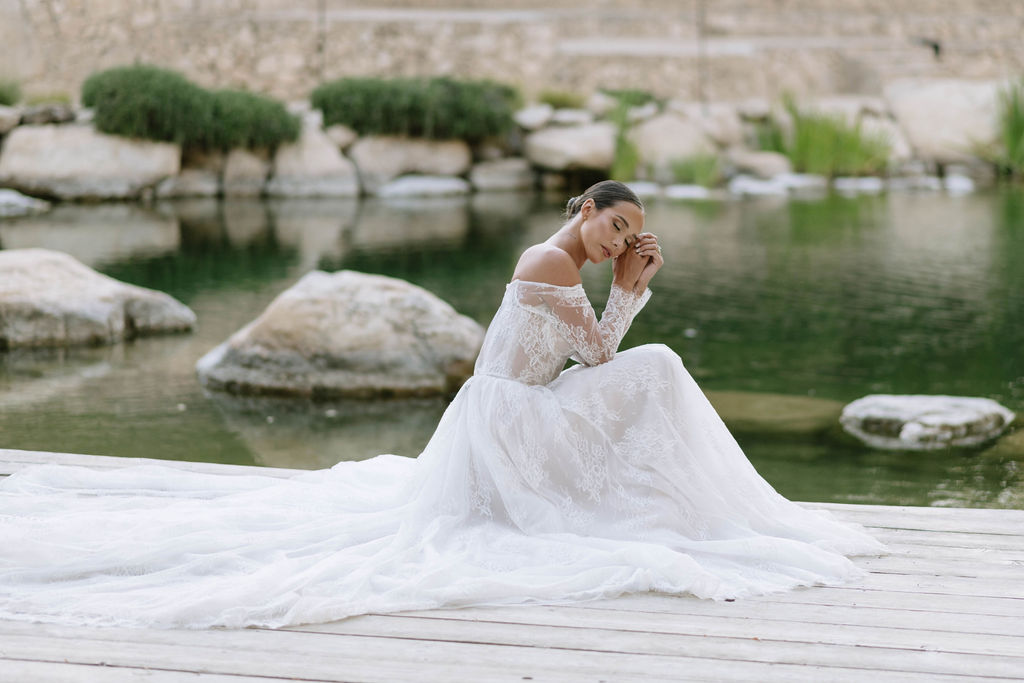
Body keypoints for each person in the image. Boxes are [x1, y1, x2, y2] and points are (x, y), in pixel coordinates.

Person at [0, 181, 884, 630]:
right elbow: (604, 349)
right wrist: (633, 287)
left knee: (656, 369)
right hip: (508, 415)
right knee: (653, 365)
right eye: (614, 225)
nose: (621, 239)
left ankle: (689, 499)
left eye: (633, 234)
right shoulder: (548, 261)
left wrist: (626, 284)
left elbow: (588, 354)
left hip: (526, 407)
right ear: (584, 211)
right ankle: (700, 500)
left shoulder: (573, 269)